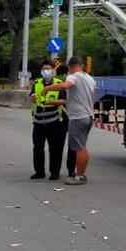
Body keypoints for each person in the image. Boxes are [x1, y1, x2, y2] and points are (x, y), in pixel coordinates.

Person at [48, 56, 96, 185]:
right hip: (88, 116)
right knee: (82, 147)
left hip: (78, 117)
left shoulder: (73, 76)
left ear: (70, 67)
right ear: (81, 65)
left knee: (79, 148)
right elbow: (76, 98)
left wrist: (47, 88)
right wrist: (54, 102)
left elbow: (65, 85)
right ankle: (81, 174)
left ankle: (80, 177)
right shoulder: (89, 79)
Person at [28, 59, 68, 181]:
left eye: (48, 69)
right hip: (39, 121)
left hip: (55, 121)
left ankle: (55, 172)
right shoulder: (37, 83)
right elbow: (32, 97)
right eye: (44, 69)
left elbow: (64, 100)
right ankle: (39, 171)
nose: (46, 71)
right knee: (38, 147)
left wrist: (52, 102)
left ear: (53, 70)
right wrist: (33, 97)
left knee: (55, 148)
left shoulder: (59, 83)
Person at [50, 56, 76, 179]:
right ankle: (55, 172)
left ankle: (71, 170)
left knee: (73, 146)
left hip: (75, 118)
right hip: (62, 118)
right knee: (57, 146)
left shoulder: (79, 84)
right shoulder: (61, 85)